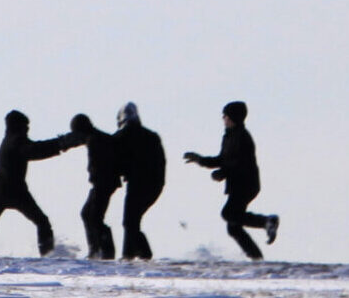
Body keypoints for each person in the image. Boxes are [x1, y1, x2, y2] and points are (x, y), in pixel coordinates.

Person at [0, 110, 75, 256]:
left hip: (2, 189)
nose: (28, 129)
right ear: (18, 126)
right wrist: (61, 143)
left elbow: (35, 149)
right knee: (42, 222)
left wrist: (60, 144)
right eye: (26, 125)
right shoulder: (16, 141)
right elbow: (35, 150)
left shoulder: (9, 139)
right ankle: (47, 256)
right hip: (14, 191)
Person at [182, 100, 276, 260]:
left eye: (225, 115)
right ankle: (257, 259)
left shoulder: (242, 138)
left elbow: (239, 163)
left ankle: (267, 221)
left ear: (232, 117)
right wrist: (200, 160)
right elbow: (222, 160)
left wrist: (223, 173)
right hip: (239, 184)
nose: (223, 118)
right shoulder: (230, 136)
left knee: (229, 213)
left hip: (246, 184)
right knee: (233, 227)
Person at [66, 113, 124, 260]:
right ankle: (96, 249)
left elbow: (101, 164)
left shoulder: (95, 140)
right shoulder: (95, 137)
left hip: (104, 183)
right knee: (88, 213)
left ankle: (104, 252)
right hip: (103, 182)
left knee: (94, 216)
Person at [112, 102, 165, 261]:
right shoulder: (152, 136)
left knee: (130, 221)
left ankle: (138, 254)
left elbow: (116, 161)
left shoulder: (121, 136)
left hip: (137, 184)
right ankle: (132, 253)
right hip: (155, 184)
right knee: (132, 221)